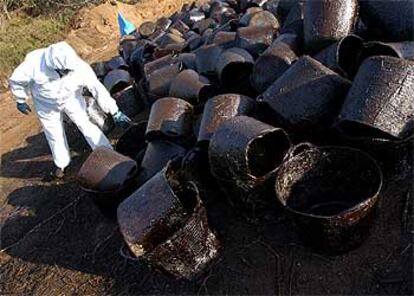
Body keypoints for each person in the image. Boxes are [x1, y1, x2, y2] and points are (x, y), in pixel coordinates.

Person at [9, 41, 131, 179]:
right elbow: (16, 81)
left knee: (85, 123)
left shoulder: (79, 67)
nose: (66, 73)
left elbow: (97, 88)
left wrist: (114, 111)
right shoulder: (33, 65)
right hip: (45, 104)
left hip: (70, 98)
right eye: (63, 71)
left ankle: (107, 152)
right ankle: (62, 164)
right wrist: (20, 99)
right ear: (53, 66)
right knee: (54, 133)